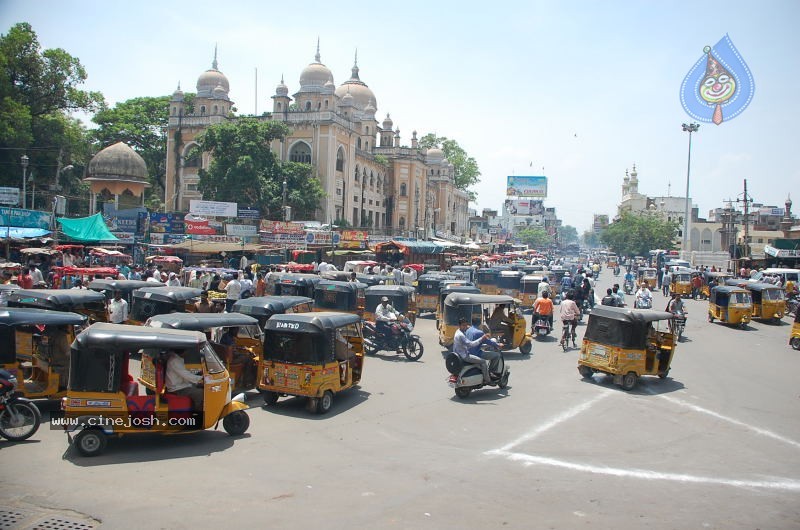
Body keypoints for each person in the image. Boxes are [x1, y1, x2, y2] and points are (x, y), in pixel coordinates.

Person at [453, 317, 493, 384]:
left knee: (478, 361)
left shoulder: (457, 331)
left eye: (466, 325)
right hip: (465, 356)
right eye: (463, 325)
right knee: (483, 362)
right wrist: (482, 338)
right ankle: (488, 380)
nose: (465, 327)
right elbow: (471, 344)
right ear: (459, 325)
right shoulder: (461, 335)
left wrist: (468, 327)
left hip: (459, 355)